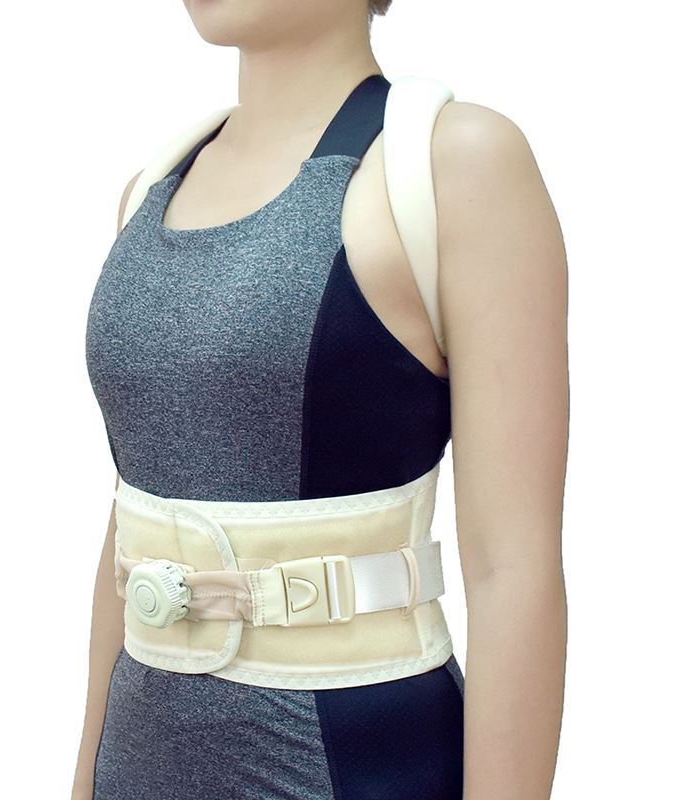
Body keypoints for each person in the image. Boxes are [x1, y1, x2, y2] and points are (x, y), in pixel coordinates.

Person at [74, 1, 569, 798]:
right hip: (138, 762)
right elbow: (132, 536)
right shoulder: (147, 192)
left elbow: (511, 566)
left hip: (361, 764)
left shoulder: (452, 166)